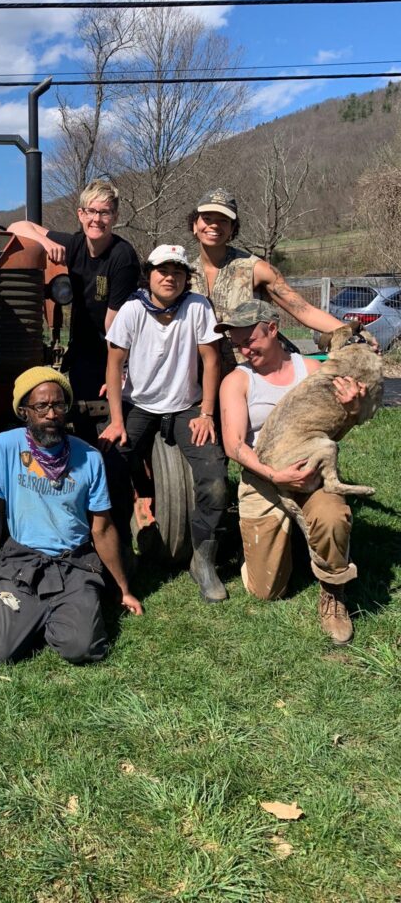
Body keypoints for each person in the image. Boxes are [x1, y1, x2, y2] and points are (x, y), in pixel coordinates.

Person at [0, 366, 142, 665]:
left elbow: (101, 528)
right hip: (24, 560)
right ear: (24, 411)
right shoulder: (4, 447)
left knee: (83, 648)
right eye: (41, 406)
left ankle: (47, 614)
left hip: (74, 562)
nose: (51, 414)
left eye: (59, 405)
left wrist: (123, 589)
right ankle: (25, 612)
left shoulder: (89, 457)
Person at [218, 301, 363, 644]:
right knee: (265, 591)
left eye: (248, 340)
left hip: (312, 475)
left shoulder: (311, 370)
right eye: (236, 344)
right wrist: (274, 474)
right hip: (263, 479)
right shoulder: (237, 381)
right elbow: (235, 444)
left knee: (332, 516)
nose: (242, 350)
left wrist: (353, 408)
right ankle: (288, 544)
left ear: (272, 328)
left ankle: (332, 591)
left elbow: (336, 429)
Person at [99, 245, 229, 603]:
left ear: (187, 277)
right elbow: (113, 365)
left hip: (187, 406)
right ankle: (122, 548)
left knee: (215, 481)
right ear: (149, 274)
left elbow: (211, 360)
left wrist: (206, 412)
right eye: (162, 270)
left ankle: (203, 558)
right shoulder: (132, 309)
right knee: (110, 467)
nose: (169, 277)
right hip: (139, 405)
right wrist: (115, 420)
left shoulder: (197, 307)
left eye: (178, 271)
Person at [7, 178, 140, 407]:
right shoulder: (76, 245)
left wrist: (116, 372)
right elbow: (15, 227)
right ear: (80, 214)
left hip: (114, 351)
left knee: (108, 414)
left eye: (105, 213)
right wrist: (44, 243)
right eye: (91, 211)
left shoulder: (122, 257)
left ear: (115, 218)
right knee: (81, 413)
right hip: (83, 348)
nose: (96, 219)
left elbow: (114, 325)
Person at [188, 187, 349, 375]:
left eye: (223, 220)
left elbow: (302, 309)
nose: (214, 225)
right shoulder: (184, 276)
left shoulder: (255, 268)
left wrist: (350, 331)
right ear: (194, 225)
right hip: (203, 379)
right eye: (207, 218)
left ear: (232, 228)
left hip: (257, 375)